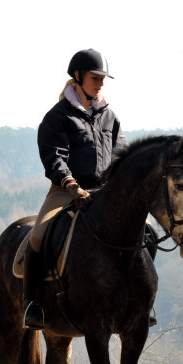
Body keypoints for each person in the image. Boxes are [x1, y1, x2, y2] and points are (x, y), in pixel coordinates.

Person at [22, 48, 129, 330]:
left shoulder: (110, 117)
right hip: (66, 190)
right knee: (38, 236)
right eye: (95, 78)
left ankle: (139, 300)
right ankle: (32, 304)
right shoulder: (57, 117)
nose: (101, 83)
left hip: (105, 192)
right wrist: (70, 184)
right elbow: (54, 157)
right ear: (78, 77)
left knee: (145, 230)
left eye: (103, 79)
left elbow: (120, 154)